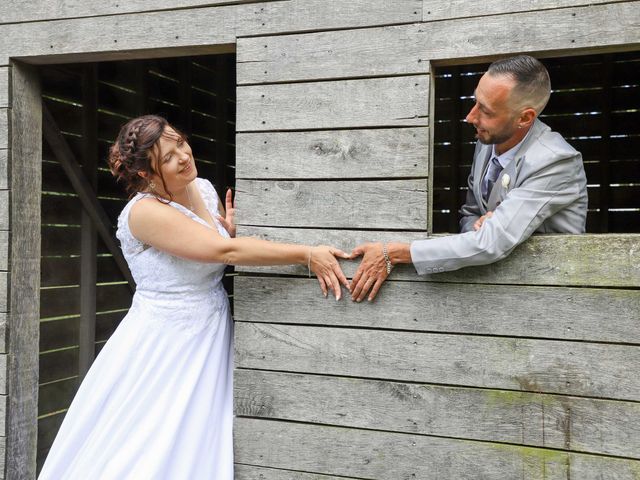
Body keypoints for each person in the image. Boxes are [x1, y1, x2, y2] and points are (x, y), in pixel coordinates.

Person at [38, 115, 350, 479]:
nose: (183, 156)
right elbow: (223, 253)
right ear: (145, 174)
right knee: (149, 441)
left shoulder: (201, 188)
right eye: (168, 157)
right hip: (166, 341)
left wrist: (225, 227)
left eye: (180, 143)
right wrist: (306, 254)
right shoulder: (144, 213)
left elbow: (214, 242)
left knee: (199, 440)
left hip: (210, 327)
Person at [349, 55, 588, 302]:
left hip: (548, 296)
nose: (471, 117)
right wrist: (478, 227)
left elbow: (491, 242)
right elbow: (472, 212)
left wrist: (396, 253)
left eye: (485, 110)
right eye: (476, 101)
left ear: (525, 118)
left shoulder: (556, 162)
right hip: (490, 294)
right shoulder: (488, 141)